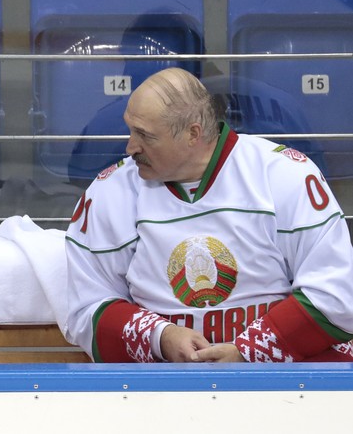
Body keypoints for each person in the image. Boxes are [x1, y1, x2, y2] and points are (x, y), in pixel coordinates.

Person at [64, 67, 353, 363]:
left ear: (193, 133)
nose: (130, 147)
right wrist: (160, 337)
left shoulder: (285, 176)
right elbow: (85, 308)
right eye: (130, 130)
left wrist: (249, 352)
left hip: (283, 385)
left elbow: (337, 294)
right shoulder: (109, 192)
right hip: (159, 388)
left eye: (145, 136)